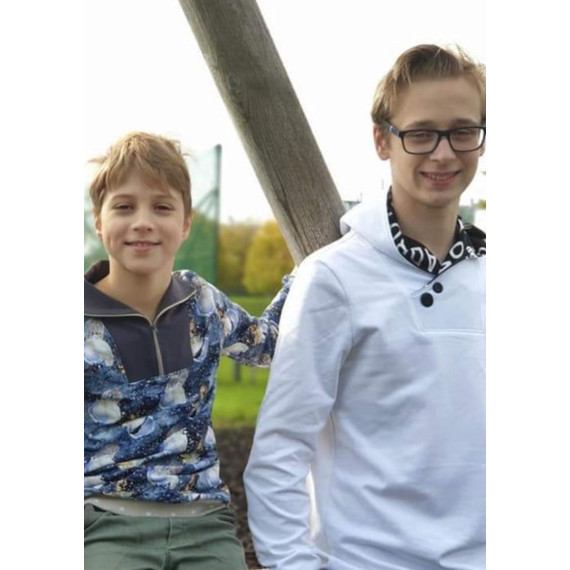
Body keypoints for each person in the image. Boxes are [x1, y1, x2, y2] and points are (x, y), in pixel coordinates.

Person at [244, 44, 486, 570]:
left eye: (463, 131)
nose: (444, 153)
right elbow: (278, 454)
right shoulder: (333, 279)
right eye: (421, 134)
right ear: (382, 140)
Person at [84, 132, 291, 570]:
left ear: (185, 224)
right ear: (99, 221)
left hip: (205, 523)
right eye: (124, 207)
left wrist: (308, 277)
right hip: (106, 522)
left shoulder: (203, 303)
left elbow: (269, 345)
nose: (143, 221)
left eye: (162, 207)